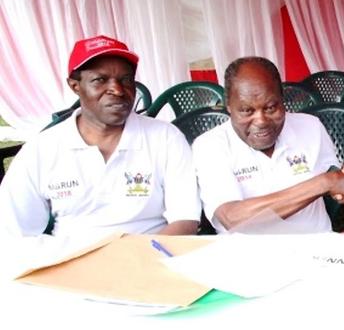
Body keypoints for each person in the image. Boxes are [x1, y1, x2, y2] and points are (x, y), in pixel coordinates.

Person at [0, 35, 201, 236]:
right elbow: (15, 230)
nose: (117, 89)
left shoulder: (165, 137)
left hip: (151, 256)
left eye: (126, 80)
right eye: (100, 80)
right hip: (72, 259)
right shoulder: (42, 149)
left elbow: (185, 219)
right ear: (75, 86)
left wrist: (140, 260)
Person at [191, 57, 344, 234]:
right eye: (246, 111)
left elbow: (335, 174)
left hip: (318, 251)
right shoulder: (209, 146)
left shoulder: (310, 126)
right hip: (250, 261)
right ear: (229, 106)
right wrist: (324, 182)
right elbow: (233, 218)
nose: (261, 120)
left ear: (283, 100)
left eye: (270, 107)